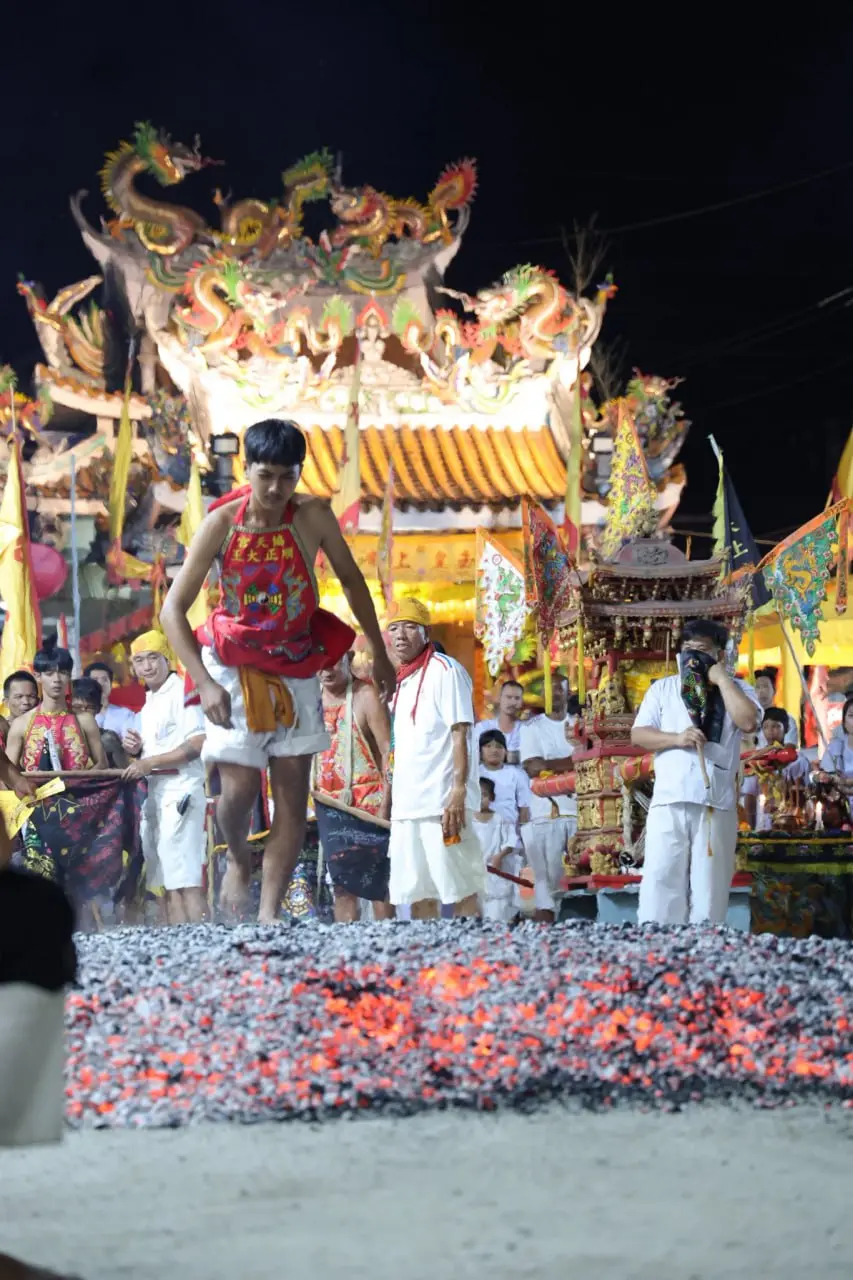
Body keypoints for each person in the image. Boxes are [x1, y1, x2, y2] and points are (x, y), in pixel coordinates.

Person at [160, 418, 395, 923]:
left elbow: (353, 582)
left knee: (291, 798)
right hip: (234, 667)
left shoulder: (312, 516)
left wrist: (377, 649)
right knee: (239, 792)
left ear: (299, 475)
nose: (274, 489)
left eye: (286, 478)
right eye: (264, 475)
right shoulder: (221, 523)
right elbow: (172, 610)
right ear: (246, 470)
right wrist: (203, 683)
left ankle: (268, 912)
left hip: (296, 663)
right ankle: (239, 861)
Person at [631, 618, 760, 924]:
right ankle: (657, 957)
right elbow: (639, 735)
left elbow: (748, 722)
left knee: (709, 895)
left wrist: (722, 679)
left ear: (720, 654)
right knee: (660, 888)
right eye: (688, 650)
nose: (693, 658)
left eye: (702, 651)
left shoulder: (739, 689)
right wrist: (677, 739)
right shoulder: (664, 688)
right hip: (668, 801)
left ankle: (705, 957)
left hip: (715, 803)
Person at [385, 597, 483, 918]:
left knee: (461, 887)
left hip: (441, 805)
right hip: (408, 807)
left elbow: (461, 733)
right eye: (394, 628)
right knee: (417, 893)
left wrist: (457, 793)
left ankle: (475, 960)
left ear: (426, 632)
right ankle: (426, 960)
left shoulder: (446, 670)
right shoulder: (402, 681)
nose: (401, 635)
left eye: (410, 627)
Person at [121, 631, 208, 924]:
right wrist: (136, 751)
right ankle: (176, 939)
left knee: (184, 874)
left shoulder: (183, 691)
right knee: (163, 875)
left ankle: (199, 936)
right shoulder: (148, 703)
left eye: (153, 658)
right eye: (139, 660)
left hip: (181, 788)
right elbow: (147, 756)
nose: (147, 666)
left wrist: (149, 762)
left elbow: (198, 743)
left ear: (167, 658)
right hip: (155, 793)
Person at [314, 651, 395, 922]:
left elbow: (388, 752)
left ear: (347, 657)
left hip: (370, 806)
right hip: (329, 807)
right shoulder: (309, 699)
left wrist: (387, 805)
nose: (326, 670)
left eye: (333, 661)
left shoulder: (366, 695)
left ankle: (390, 950)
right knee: (342, 887)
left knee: (379, 886)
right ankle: (346, 955)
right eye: (320, 663)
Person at [519, 675, 576, 922]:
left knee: (577, 882)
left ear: (569, 694)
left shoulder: (578, 724)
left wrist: (552, 766)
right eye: (550, 692)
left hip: (580, 813)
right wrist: (575, 763)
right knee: (547, 888)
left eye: (560, 691)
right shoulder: (532, 727)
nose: (555, 695)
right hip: (546, 814)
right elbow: (533, 767)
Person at [7, 639, 106, 773]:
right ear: (38, 676)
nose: (57, 680)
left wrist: (78, 782)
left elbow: (102, 764)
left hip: (79, 793)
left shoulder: (85, 721)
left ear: (70, 676)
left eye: (63, 673)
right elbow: (8, 773)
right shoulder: (21, 724)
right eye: (49, 674)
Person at [473, 776, 518, 922]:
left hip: (496, 871)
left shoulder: (499, 819)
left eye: (484, 795)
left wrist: (500, 855)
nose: (480, 800)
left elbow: (511, 840)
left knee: (497, 913)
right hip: (474, 874)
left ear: (491, 797)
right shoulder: (467, 821)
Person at [71, 678, 129, 769]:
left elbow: (124, 774)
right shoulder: (61, 736)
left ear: (98, 709)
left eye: (90, 707)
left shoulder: (108, 739)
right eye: (77, 707)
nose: (83, 712)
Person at [84, 660, 140, 737]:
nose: (100, 684)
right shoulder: (77, 716)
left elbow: (131, 744)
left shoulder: (125, 714)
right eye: (95, 680)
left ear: (110, 685)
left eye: (105, 680)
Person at [476, 679, 525, 763]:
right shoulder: (483, 728)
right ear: (499, 699)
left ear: (521, 702)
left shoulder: (528, 729)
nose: (512, 702)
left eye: (517, 698)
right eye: (508, 697)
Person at [754, 667, 798, 746]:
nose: (761, 691)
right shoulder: (750, 720)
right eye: (758, 687)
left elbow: (789, 749)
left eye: (765, 687)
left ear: (774, 690)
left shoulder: (788, 720)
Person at [818, 695, 853, 792]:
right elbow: (825, 775)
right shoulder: (835, 747)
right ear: (844, 722)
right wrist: (825, 777)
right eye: (851, 715)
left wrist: (846, 782)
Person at [0, 671, 39, 747]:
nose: (26, 702)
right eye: (19, 697)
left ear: (38, 701)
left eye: (31, 696)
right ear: (6, 702)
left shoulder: (45, 729)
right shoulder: (2, 729)